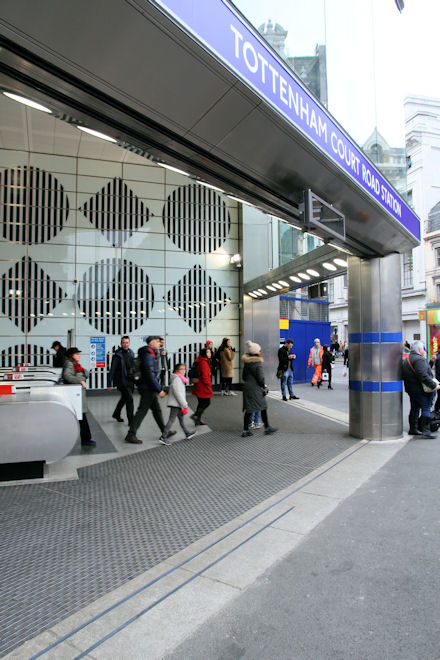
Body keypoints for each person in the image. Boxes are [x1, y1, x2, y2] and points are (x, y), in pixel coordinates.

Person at [125, 336, 175, 444]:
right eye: (157, 341)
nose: (159, 343)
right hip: (147, 387)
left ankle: (164, 430)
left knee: (156, 410)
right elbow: (149, 373)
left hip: (148, 386)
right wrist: (159, 389)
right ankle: (131, 434)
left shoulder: (151, 353)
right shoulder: (148, 354)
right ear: (151, 343)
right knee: (142, 411)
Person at [402, 340, 440, 439]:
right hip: (420, 390)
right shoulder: (419, 360)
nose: (425, 350)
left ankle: (413, 429)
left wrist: (431, 361)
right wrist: (433, 385)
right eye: (424, 348)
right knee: (426, 408)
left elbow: (421, 371)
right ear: (420, 350)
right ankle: (426, 431)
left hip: (412, 389)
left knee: (414, 408)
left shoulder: (409, 358)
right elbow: (423, 375)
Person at [241, 340, 277, 437]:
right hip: (255, 389)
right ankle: (267, 428)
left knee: (249, 409)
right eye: (259, 350)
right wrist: (264, 386)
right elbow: (260, 378)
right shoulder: (257, 363)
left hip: (247, 387)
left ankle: (245, 430)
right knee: (263, 407)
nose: (260, 352)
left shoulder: (247, 363)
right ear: (256, 352)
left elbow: (243, 377)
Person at [62, 347, 95, 446]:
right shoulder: (69, 364)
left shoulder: (76, 365)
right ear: (71, 356)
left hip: (79, 394)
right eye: (76, 354)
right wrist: (80, 381)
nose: (79, 355)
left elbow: (86, 373)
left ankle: (86, 438)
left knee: (81, 417)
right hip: (76, 394)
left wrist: (82, 372)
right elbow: (66, 376)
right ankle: (86, 439)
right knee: (81, 417)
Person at [159, 364, 196, 445]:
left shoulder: (178, 378)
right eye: (181, 369)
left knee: (181, 418)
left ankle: (187, 433)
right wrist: (184, 404)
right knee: (171, 420)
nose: (184, 371)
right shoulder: (177, 379)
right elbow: (177, 393)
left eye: (184, 369)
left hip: (177, 403)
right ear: (176, 370)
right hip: (176, 403)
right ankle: (163, 436)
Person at [107, 336, 135, 425]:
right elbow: (112, 369)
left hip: (131, 380)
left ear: (129, 343)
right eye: (124, 343)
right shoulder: (117, 355)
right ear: (121, 344)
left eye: (127, 342)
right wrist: (109, 383)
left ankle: (116, 414)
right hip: (122, 381)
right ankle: (131, 421)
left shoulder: (131, 353)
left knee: (124, 398)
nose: (125, 344)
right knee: (129, 399)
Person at [191, 347, 213, 425]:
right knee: (207, 402)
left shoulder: (200, 360)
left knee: (201, 403)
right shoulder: (204, 362)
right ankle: (196, 415)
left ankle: (197, 420)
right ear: (204, 353)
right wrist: (209, 384)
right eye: (208, 352)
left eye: (210, 352)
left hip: (198, 385)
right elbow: (205, 376)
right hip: (203, 386)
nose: (209, 354)